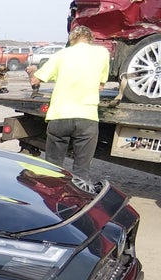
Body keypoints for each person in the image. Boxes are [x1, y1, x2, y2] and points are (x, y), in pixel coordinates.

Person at [29, 25, 110, 184]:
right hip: (87, 117)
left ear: (71, 39)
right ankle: (78, 201)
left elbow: (35, 80)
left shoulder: (61, 54)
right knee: (81, 170)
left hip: (60, 116)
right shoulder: (102, 53)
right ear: (90, 39)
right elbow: (101, 85)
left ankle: (52, 197)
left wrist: (32, 71)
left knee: (53, 168)